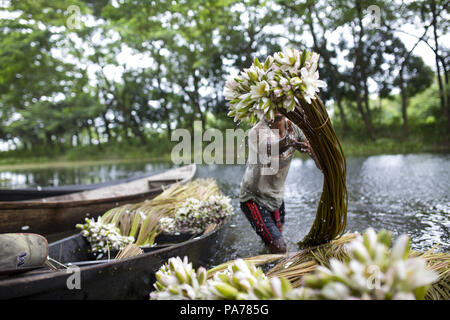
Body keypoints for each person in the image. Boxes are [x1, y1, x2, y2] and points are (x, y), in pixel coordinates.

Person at [239, 110, 321, 253]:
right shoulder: (257, 132)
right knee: (279, 247)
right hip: (254, 198)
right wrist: (289, 141)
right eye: (271, 102)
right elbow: (271, 148)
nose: (276, 107)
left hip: (277, 197)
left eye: (280, 102)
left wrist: (320, 158)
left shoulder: (294, 128)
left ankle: (267, 259)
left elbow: (316, 155)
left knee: (275, 240)